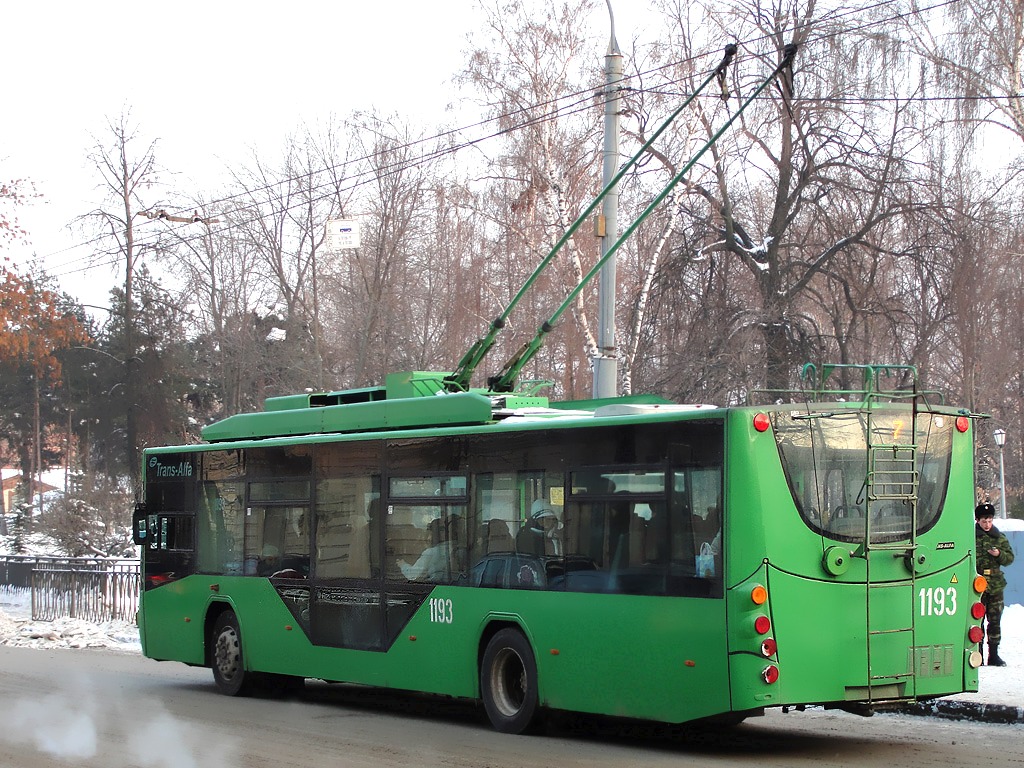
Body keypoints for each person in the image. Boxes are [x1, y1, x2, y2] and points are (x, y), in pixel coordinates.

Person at [975, 502, 1015, 666]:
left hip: (995, 586)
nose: (987, 524)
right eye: (984, 521)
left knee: (995, 621)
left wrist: (999, 554)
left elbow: (1009, 559)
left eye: (990, 520)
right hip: (977, 586)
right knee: (976, 621)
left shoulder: (999, 537)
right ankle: (977, 655)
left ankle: (994, 655)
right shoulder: (971, 537)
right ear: (978, 520)